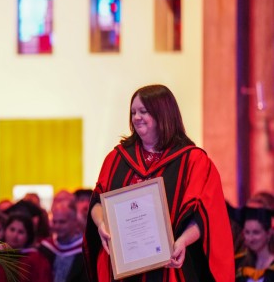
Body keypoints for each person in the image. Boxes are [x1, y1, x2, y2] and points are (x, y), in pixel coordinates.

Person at [83, 84, 234, 281]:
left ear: (163, 114)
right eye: (133, 112)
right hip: (125, 270)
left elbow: (205, 215)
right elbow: (97, 201)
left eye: (143, 111)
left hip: (173, 268)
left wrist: (182, 241)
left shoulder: (193, 161)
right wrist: (102, 223)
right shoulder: (116, 158)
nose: (136, 117)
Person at [0, 214, 52, 282]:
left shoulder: (35, 259)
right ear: (5, 230)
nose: (15, 235)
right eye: (12, 229)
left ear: (28, 236)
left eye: (21, 232)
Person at [39, 201, 88, 282]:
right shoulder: (46, 247)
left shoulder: (85, 249)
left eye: (62, 222)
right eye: (54, 222)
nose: (57, 226)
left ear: (75, 222)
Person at [235, 207, 274, 282]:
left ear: (269, 233)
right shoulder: (238, 263)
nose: (251, 238)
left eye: (256, 232)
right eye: (247, 232)